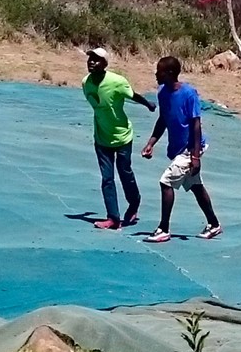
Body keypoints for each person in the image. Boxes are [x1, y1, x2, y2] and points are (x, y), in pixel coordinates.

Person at [139, 55, 222, 243]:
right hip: (178, 149)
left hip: (190, 148)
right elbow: (163, 119)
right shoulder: (162, 92)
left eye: (159, 71)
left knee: (166, 182)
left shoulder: (189, 94)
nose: (156, 74)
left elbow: (196, 125)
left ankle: (163, 229)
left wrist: (195, 156)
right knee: (195, 186)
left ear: (169, 73)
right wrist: (151, 143)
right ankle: (214, 224)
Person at [81, 47, 154, 230]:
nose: (92, 62)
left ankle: (134, 202)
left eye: (97, 59)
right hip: (101, 138)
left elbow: (133, 95)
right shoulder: (86, 83)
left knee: (125, 172)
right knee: (107, 178)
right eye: (90, 59)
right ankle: (113, 218)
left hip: (122, 137)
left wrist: (148, 104)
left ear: (105, 64)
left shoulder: (117, 81)